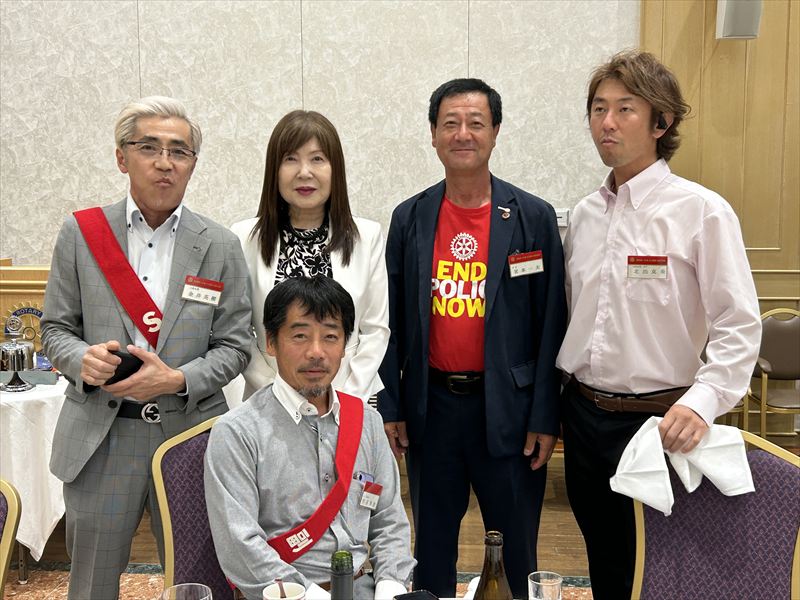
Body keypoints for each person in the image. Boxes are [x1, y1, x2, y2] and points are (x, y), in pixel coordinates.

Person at [556, 50, 762, 599]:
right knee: (605, 561)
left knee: (661, 570)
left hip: (661, 422)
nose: (607, 122)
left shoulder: (701, 211)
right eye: (598, 108)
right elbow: (572, 316)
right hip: (583, 419)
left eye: (625, 108)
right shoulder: (585, 215)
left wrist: (703, 401)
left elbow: (739, 322)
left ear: (661, 122)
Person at [40, 96, 252, 599]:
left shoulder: (220, 244)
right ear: (122, 157)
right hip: (102, 434)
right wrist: (81, 360)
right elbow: (54, 329)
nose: (164, 162)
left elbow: (236, 345)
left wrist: (177, 379)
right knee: (92, 584)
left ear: (192, 164)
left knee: (199, 579)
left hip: (189, 435)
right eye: (149, 148)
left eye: (179, 151)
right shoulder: (82, 234)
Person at [377, 78, 567, 598]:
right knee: (431, 544)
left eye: (476, 123)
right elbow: (389, 322)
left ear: (496, 132)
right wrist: (392, 405)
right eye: (450, 124)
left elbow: (552, 324)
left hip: (510, 409)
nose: (463, 134)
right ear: (433, 135)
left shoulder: (532, 217)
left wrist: (545, 415)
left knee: (516, 547)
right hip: (433, 408)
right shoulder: (410, 217)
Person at [204, 276, 414, 600]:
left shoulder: (368, 423)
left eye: (330, 336)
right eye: (300, 336)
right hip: (283, 593)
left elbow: (389, 520)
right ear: (271, 342)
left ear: (345, 346)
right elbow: (239, 547)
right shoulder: (237, 432)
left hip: (365, 588)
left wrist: (390, 587)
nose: (316, 352)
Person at [231, 110, 388, 402]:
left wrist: (343, 397)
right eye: (291, 159)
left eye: (317, 159)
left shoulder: (367, 236)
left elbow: (375, 330)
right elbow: (238, 331)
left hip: (348, 396)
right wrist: (279, 393)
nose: (304, 172)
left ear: (335, 169)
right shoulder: (243, 237)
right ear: (274, 170)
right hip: (268, 399)